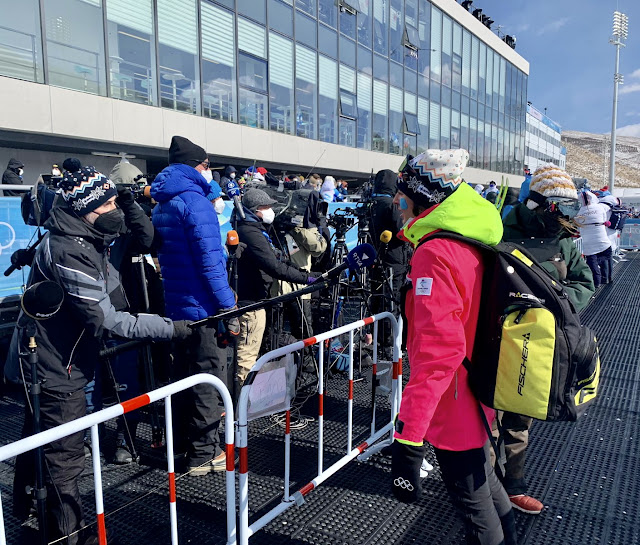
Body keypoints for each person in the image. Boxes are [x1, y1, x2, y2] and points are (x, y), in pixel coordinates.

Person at [5, 167, 191, 545]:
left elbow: (117, 279)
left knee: (40, 438)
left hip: (57, 359)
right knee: (64, 453)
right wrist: (169, 328)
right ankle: (67, 535)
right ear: (84, 209)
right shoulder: (68, 249)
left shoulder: (86, 237)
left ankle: (27, 508)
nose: (114, 209)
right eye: (106, 204)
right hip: (55, 368)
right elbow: (106, 317)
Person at [390, 149, 517, 545]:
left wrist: (408, 438)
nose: (396, 201)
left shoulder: (434, 253)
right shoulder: (467, 237)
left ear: (420, 196)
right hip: (478, 390)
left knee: (474, 507)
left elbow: (437, 354)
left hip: (454, 402)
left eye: (401, 192)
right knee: (487, 486)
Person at [499, 164, 594, 515]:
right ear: (537, 204)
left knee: (521, 413)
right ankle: (485, 484)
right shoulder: (500, 230)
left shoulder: (562, 241)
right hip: (498, 338)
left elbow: (585, 282)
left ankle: (513, 485)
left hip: (541, 342)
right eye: (558, 207)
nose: (564, 217)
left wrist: (559, 308)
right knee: (487, 412)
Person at [151, 136, 238, 475]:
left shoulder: (163, 201)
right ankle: (204, 453)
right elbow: (211, 264)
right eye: (207, 166)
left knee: (184, 377)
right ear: (196, 167)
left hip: (176, 305)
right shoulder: (195, 201)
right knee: (208, 378)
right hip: (203, 308)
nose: (210, 173)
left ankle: (183, 446)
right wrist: (229, 307)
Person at [234, 188, 315, 385]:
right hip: (251, 300)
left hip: (256, 297)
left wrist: (303, 274)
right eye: (267, 207)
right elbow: (274, 267)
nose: (272, 211)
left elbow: (278, 258)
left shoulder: (253, 229)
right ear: (257, 209)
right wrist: (308, 280)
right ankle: (241, 407)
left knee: (249, 351)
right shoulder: (250, 232)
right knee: (247, 355)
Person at [271, 190, 327, 342]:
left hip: (289, 286)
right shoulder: (296, 226)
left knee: (294, 332)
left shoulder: (294, 224)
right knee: (289, 333)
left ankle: (298, 363)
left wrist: (297, 225)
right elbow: (319, 247)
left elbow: (317, 248)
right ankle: (299, 363)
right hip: (289, 286)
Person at [369, 169, 410, 357]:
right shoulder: (391, 205)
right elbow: (401, 232)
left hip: (376, 258)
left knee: (377, 298)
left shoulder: (372, 204)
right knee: (391, 302)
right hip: (394, 260)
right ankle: (389, 344)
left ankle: (376, 339)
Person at [575, 190, 612, 287]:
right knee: (607, 257)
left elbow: (577, 225)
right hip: (602, 239)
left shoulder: (579, 211)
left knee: (592, 263)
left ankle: (596, 283)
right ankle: (607, 278)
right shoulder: (599, 208)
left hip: (588, 242)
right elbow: (604, 219)